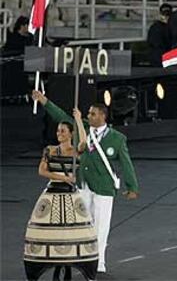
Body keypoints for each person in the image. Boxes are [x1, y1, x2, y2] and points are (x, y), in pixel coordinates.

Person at [32, 90, 139, 273]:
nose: (89, 116)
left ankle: (99, 261)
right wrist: (44, 100)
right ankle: (83, 258)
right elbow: (61, 116)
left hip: (104, 186)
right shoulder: (82, 128)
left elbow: (126, 163)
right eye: (88, 114)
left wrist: (132, 186)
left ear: (103, 116)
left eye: (92, 113)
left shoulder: (117, 138)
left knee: (101, 225)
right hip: (83, 184)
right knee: (82, 224)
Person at [24, 110, 99, 281]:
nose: (59, 134)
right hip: (52, 193)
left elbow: (84, 142)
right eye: (58, 131)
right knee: (49, 230)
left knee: (72, 229)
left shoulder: (75, 152)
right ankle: (49, 263)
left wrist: (79, 120)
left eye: (63, 131)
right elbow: (42, 170)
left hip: (71, 197)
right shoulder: (50, 150)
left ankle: (70, 264)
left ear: (70, 134)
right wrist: (64, 177)